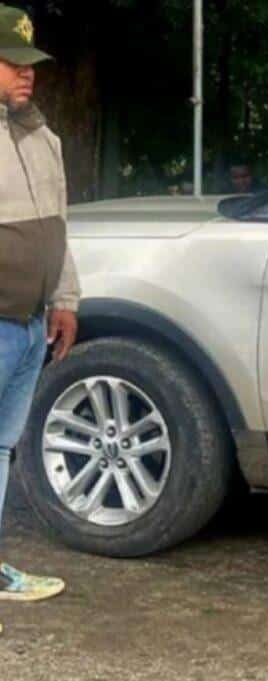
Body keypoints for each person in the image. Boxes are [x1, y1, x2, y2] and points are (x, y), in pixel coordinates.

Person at [0, 3, 79, 633]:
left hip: (29, 326)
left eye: (31, 63)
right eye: (12, 62)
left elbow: (59, 229)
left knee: (2, 447)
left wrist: (66, 300)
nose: (27, 73)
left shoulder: (44, 139)